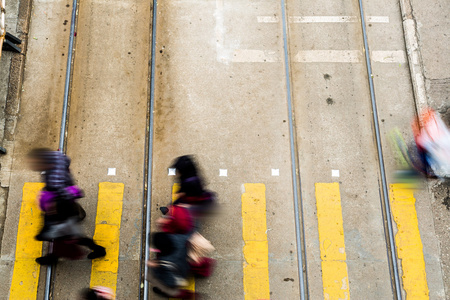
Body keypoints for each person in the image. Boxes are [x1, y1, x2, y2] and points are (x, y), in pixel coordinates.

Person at [28, 148, 105, 264]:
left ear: (46, 163)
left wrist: (50, 220)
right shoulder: (57, 156)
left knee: (70, 237)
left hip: (64, 213)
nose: (33, 167)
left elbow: (62, 200)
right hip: (67, 202)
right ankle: (53, 256)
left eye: (35, 164)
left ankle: (98, 250)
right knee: (68, 236)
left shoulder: (55, 181)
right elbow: (66, 160)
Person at [146, 232, 196, 299]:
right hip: (185, 266)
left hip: (179, 275)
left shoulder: (164, 263)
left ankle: (164, 291)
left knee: (150, 277)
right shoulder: (179, 238)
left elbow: (169, 281)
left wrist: (155, 266)